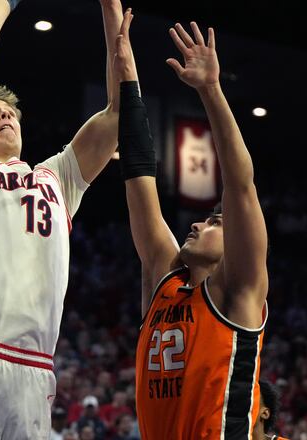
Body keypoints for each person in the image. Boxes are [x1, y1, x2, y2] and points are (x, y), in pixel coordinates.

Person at [0, 0, 126, 437]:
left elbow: (119, 112)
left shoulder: (57, 179)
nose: (6, 114)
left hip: (35, 371)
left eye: (11, 111)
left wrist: (111, 13)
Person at [114, 16, 271, 438]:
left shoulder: (239, 291)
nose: (198, 224)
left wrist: (210, 90)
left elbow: (240, 184)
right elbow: (138, 174)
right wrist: (126, 79)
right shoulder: (164, 281)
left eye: (215, 221)